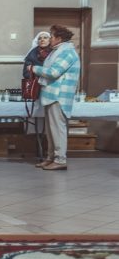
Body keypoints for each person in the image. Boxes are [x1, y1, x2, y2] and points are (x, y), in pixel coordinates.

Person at [30, 25, 80, 171]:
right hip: (51, 95)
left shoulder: (68, 53)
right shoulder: (56, 51)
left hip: (59, 96)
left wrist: (34, 68)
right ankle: (50, 157)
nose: (49, 38)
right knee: (50, 131)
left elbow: (53, 72)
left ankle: (60, 159)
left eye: (51, 36)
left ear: (59, 38)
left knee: (58, 129)